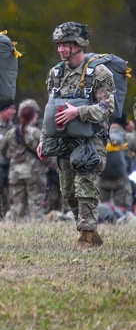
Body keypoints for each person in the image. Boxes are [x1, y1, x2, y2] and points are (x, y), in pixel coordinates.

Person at [38, 22, 115, 248]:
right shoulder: (55, 73)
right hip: (64, 140)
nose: (61, 49)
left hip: (91, 140)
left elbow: (107, 107)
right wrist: (44, 139)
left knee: (85, 186)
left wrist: (78, 112)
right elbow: (50, 109)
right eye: (59, 45)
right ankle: (86, 228)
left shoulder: (99, 73)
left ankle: (87, 234)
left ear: (79, 44)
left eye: (66, 45)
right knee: (69, 192)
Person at [0, 99, 46, 221]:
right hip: (34, 173)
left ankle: (16, 227)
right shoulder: (37, 133)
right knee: (36, 204)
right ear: (34, 115)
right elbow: (45, 152)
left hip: (15, 173)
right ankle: (37, 232)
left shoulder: (11, 132)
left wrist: (13, 157)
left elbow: (2, 149)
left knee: (17, 206)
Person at [96, 117, 135, 211]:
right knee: (123, 210)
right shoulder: (127, 136)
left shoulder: (99, 135)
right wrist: (132, 131)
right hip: (121, 179)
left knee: (99, 209)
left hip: (101, 179)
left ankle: (102, 223)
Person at [0, 101, 17, 219]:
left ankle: (7, 219)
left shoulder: (11, 127)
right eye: (11, 109)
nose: (14, 112)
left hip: (7, 167)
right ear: (3, 109)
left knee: (8, 197)